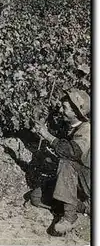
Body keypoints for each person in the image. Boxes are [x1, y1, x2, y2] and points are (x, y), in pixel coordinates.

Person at [33, 89, 90, 235]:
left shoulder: (87, 130)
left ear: (76, 113)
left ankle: (69, 217)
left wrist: (47, 135)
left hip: (90, 182)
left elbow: (72, 152)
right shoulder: (69, 127)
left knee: (67, 162)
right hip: (78, 182)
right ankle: (84, 207)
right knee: (36, 197)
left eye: (64, 108)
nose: (60, 110)